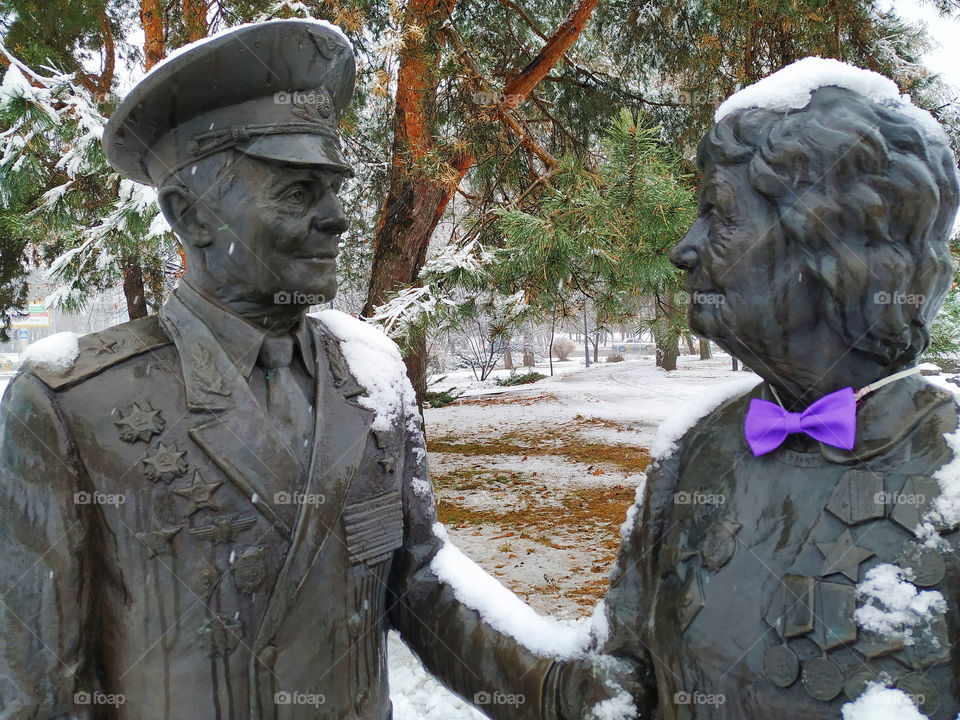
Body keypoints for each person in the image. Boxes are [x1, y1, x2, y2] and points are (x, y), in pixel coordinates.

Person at [0, 20, 626, 719]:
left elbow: (417, 587)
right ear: (189, 214)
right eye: (297, 193)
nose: (335, 219)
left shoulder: (372, 375)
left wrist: (561, 690)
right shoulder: (73, 405)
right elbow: (36, 685)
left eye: (332, 190)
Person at [598, 59, 960, 719]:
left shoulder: (951, 470)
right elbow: (609, 683)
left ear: (831, 239)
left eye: (719, 214)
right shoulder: (695, 449)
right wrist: (418, 572)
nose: (685, 248)